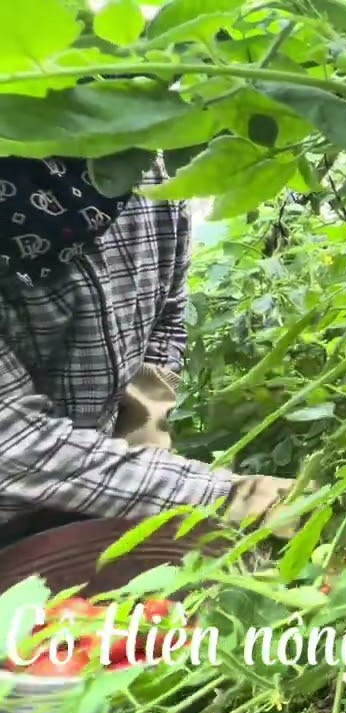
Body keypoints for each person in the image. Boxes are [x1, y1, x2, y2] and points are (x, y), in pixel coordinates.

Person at [0, 153, 300, 548]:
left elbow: (166, 315)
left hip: (97, 486)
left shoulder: (143, 178)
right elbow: (15, 445)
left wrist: (144, 434)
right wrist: (242, 499)